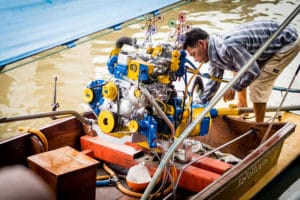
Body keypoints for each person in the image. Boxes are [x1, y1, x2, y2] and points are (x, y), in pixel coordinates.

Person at [183, 20, 299, 122]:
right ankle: (243, 108)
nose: (196, 60)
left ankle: (258, 125)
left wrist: (233, 88)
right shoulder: (213, 49)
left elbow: (253, 71)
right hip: (266, 41)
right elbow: (214, 81)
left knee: (257, 83)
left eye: (194, 54)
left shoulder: (228, 46)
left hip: (287, 40)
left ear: (202, 43)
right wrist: (200, 103)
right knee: (238, 69)